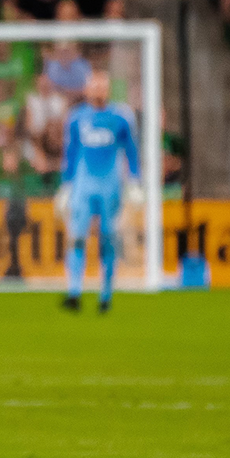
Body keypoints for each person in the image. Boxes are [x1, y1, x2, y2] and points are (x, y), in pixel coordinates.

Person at [56, 71, 140, 313]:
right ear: (86, 89)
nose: (98, 90)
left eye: (103, 86)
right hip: (83, 186)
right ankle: (74, 292)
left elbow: (131, 150)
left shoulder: (120, 117)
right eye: (94, 86)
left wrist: (134, 180)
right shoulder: (76, 118)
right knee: (78, 237)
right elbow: (70, 153)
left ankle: (106, 294)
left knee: (108, 239)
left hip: (109, 185)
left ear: (109, 89)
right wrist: (66, 186)